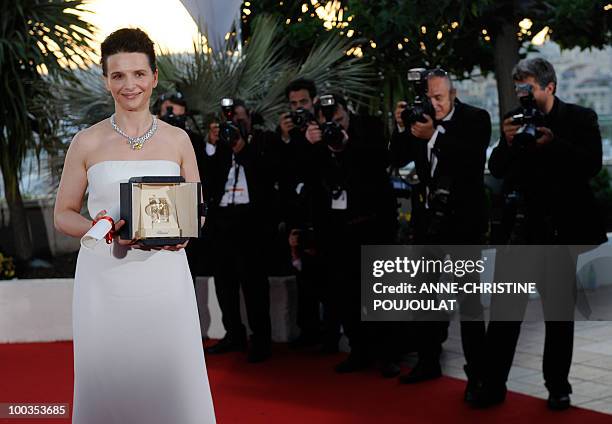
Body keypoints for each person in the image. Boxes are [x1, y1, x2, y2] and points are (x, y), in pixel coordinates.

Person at [53, 28, 216, 423]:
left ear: (154, 76)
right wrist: (102, 225)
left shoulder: (178, 141)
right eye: (119, 75)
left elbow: (196, 209)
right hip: (104, 281)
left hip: (165, 279)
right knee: (110, 377)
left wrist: (184, 235)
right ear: (105, 79)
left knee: (171, 375)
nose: (130, 85)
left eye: (139, 74)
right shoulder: (86, 142)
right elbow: (63, 214)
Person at [475, 57, 607, 410]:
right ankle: (492, 385)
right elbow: (498, 169)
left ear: (549, 86)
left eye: (528, 87)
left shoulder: (580, 118)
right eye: (519, 88)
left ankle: (558, 387)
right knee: (505, 314)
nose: (523, 95)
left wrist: (554, 143)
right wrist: (505, 141)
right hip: (520, 229)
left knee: (559, 316)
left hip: (560, 232)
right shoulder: (515, 120)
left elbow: (591, 164)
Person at [389, 69, 491, 394]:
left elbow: (472, 160)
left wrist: (433, 135)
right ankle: (428, 360)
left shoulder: (476, 118)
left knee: (469, 302)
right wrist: (402, 127)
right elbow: (396, 156)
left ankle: (478, 373)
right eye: (429, 98)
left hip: (463, 224)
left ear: (453, 93)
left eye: (439, 98)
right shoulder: (419, 119)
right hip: (427, 222)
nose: (434, 104)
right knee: (425, 297)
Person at [304, 92, 398, 375]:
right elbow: (309, 180)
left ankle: (388, 355)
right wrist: (311, 145)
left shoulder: (368, 127)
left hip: (372, 225)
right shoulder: (316, 141)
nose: (333, 121)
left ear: (347, 111)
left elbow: (381, 161)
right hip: (336, 230)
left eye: (337, 114)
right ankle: (359, 351)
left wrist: (347, 145)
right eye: (326, 116)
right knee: (345, 295)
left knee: (381, 294)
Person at [202, 99, 276, 363]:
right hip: (222, 219)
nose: (234, 123)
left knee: (254, 284)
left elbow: (267, 176)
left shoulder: (264, 140)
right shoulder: (220, 145)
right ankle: (234, 334)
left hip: (251, 221)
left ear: (250, 118)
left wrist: (241, 148)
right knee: (224, 282)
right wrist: (211, 145)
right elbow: (207, 179)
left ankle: (261, 339)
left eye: (239, 118)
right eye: (229, 119)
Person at [276, 78, 341, 351]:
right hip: (298, 212)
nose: (299, 108)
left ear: (313, 101)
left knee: (330, 275)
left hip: (326, 212)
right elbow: (281, 170)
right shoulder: (287, 133)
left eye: (303, 102)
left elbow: (326, 168)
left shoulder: (323, 127)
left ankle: (331, 334)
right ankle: (308, 330)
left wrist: (315, 138)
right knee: (304, 275)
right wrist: (287, 138)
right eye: (293, 104)